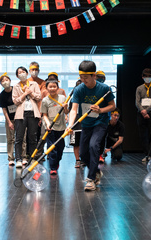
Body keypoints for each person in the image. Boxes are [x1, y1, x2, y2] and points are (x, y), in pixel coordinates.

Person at [67, 60, 115, 191]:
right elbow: (74, 109)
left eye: (86, 78)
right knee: (83, 154)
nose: (83, 80)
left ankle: (91, 179)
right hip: (86, 124)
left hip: (100, 123)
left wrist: (100, 110)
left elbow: (112, 106)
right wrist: (70, 125)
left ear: (94, 76)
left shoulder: (104, 89)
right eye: (81, 77)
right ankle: (96, 172)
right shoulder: (78, 89)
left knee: (94, 146)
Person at [12, 66, 41, 168]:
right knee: (19, 138)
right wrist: (25, 93)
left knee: (32, 137)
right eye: (20, 72)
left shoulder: (34, 84)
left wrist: (30, 92)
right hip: (21, 114)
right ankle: (18, 159)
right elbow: (15, 101)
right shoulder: (16, 86)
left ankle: (32, 158)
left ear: (27, 73)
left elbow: (38, 97)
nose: (22, 73)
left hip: (33, 113)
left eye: (23, 71)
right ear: (17, 76)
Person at [0, 73, 27, 166]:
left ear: (10, 81)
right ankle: (11, 158)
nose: (5, 82)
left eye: (6, 80)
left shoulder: (16, 90)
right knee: (10, 139)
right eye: (2, 81)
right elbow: (4, 110)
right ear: (1, 84)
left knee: (22, 138)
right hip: (10, 119)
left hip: (20, 117)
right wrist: (9, 122)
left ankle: (23, 157)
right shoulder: (1, 95)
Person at [41, 79, 69, 175]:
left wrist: (65, 107)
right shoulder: (45, 100)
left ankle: (56, 162)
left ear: (57, 87)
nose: (52, 88)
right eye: (50, 86)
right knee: (52, 148)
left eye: (54, 86)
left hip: (61, 127)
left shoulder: (62, 98)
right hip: (50, 128)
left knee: (61, 147)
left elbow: (66, 112)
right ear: (47, 88)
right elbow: (44, 114)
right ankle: (53, 167)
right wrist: (48, 124)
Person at [69, 79, 83, 168]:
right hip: (75, 124)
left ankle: (84, 159)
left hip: (85, 124)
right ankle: (78, 160)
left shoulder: (88, 98)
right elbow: (71, 111)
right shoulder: (72, 100)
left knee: (85, 143)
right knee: (76, 144)